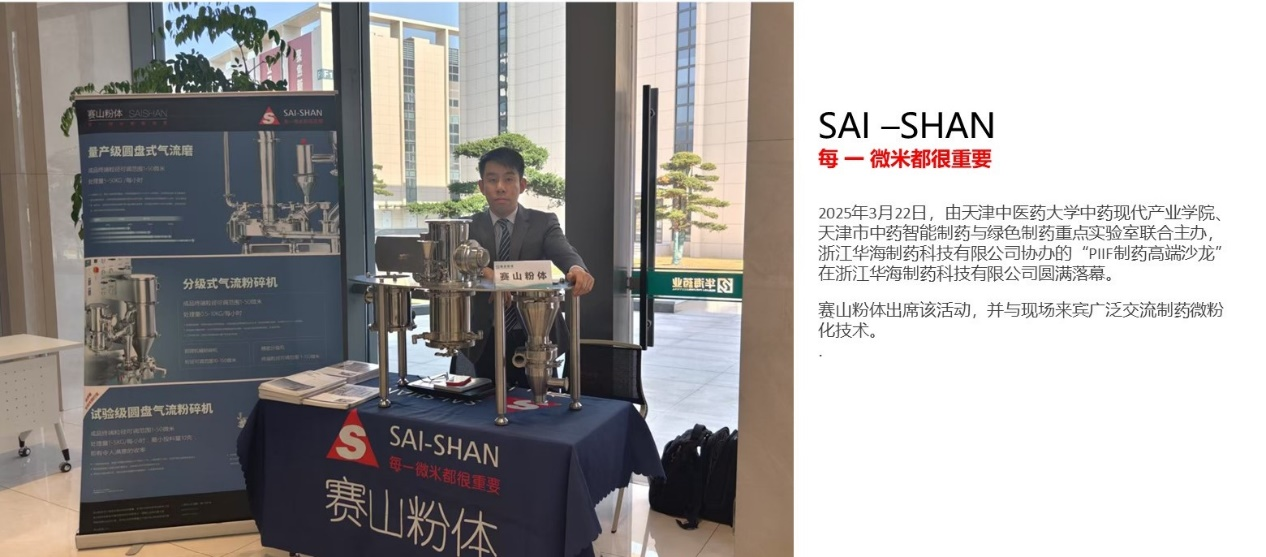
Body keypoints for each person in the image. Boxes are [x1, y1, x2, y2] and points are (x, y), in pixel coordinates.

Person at [451, 147, 595, 387]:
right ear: (481, 186)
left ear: (522, 184)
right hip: (484, 335)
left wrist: (577, 268)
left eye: (509, 179)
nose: (500, 187)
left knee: (540, 399)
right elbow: (456, 261)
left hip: (537, 333)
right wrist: (487, 273)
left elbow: (563, 250)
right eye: (492, 180)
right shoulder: (467, 226)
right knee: (487, 401)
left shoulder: (543, 222)